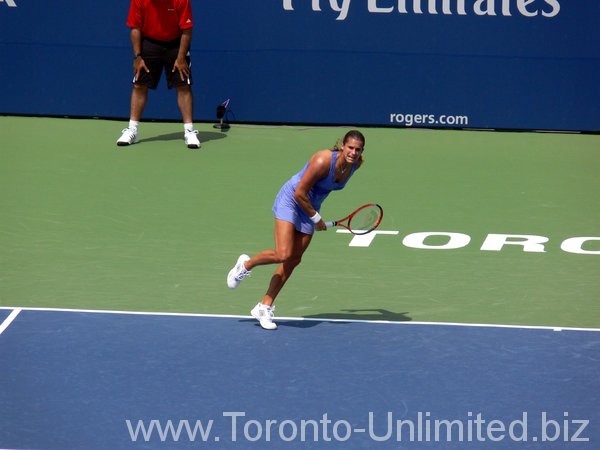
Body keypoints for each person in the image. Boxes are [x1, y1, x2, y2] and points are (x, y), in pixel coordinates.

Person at [226, 130, 366, 330]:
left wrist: (313, 213)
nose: (353, 152)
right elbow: (300, 192)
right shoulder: (322, 160)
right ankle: (246, 265)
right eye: (350, 148)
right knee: (283, 253)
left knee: (293, 260)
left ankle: (264, 307)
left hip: (311, 206)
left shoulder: (355, 165)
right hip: (292, 200)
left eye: (358, 150)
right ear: (342, 146)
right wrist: (316, 218)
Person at [116, 0, 201, 149]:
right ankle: (132, 130)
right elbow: (135, 28)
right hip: (149, 43)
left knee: (183, 85)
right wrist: (138, 57)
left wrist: (181, 58)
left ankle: (189, 131)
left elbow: (187, 30)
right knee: (139, 85)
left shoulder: (181, 1)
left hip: (176, 43)